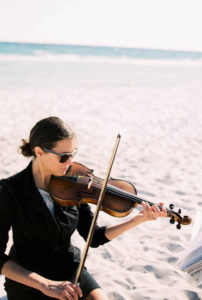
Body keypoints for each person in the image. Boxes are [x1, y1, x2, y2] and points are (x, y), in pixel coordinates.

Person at [0, 116, 167, 300]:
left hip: (70, 269)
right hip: (30, 280)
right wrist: (45, 285)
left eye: (73, 154)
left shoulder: (76, 184)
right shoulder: (10, 191)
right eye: (63, 157)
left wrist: (138, 219)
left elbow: (93, 237)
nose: (70, 162)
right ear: (39, 152)